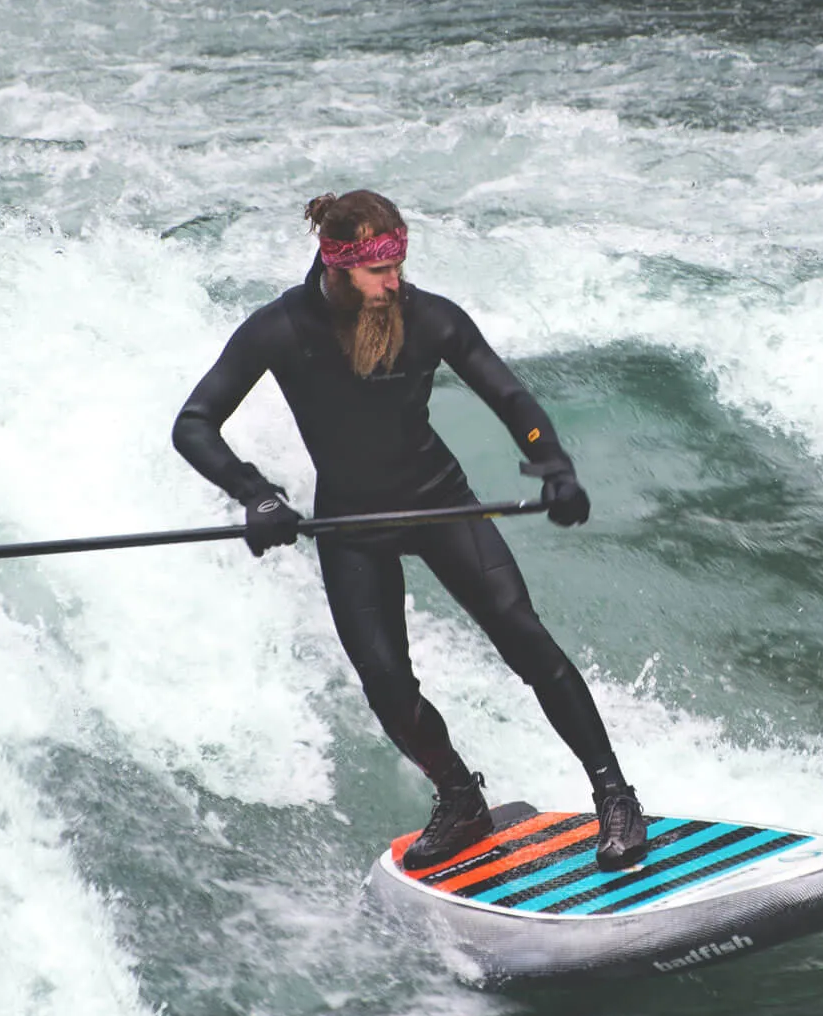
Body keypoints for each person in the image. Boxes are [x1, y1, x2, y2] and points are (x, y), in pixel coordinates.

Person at [172, 190, 647, 872]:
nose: (393, 282)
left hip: (438, 503)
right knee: (386, 682)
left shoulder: (428, 318)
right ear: (335, 264)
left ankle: (615, 794)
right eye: (377, 271)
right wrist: (256, 493)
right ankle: (459, 796)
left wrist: (555, 467)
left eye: (399, 263)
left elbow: (509, 396)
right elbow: (193, 423)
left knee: (524, 637)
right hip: (351, 524)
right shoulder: (278, 328)